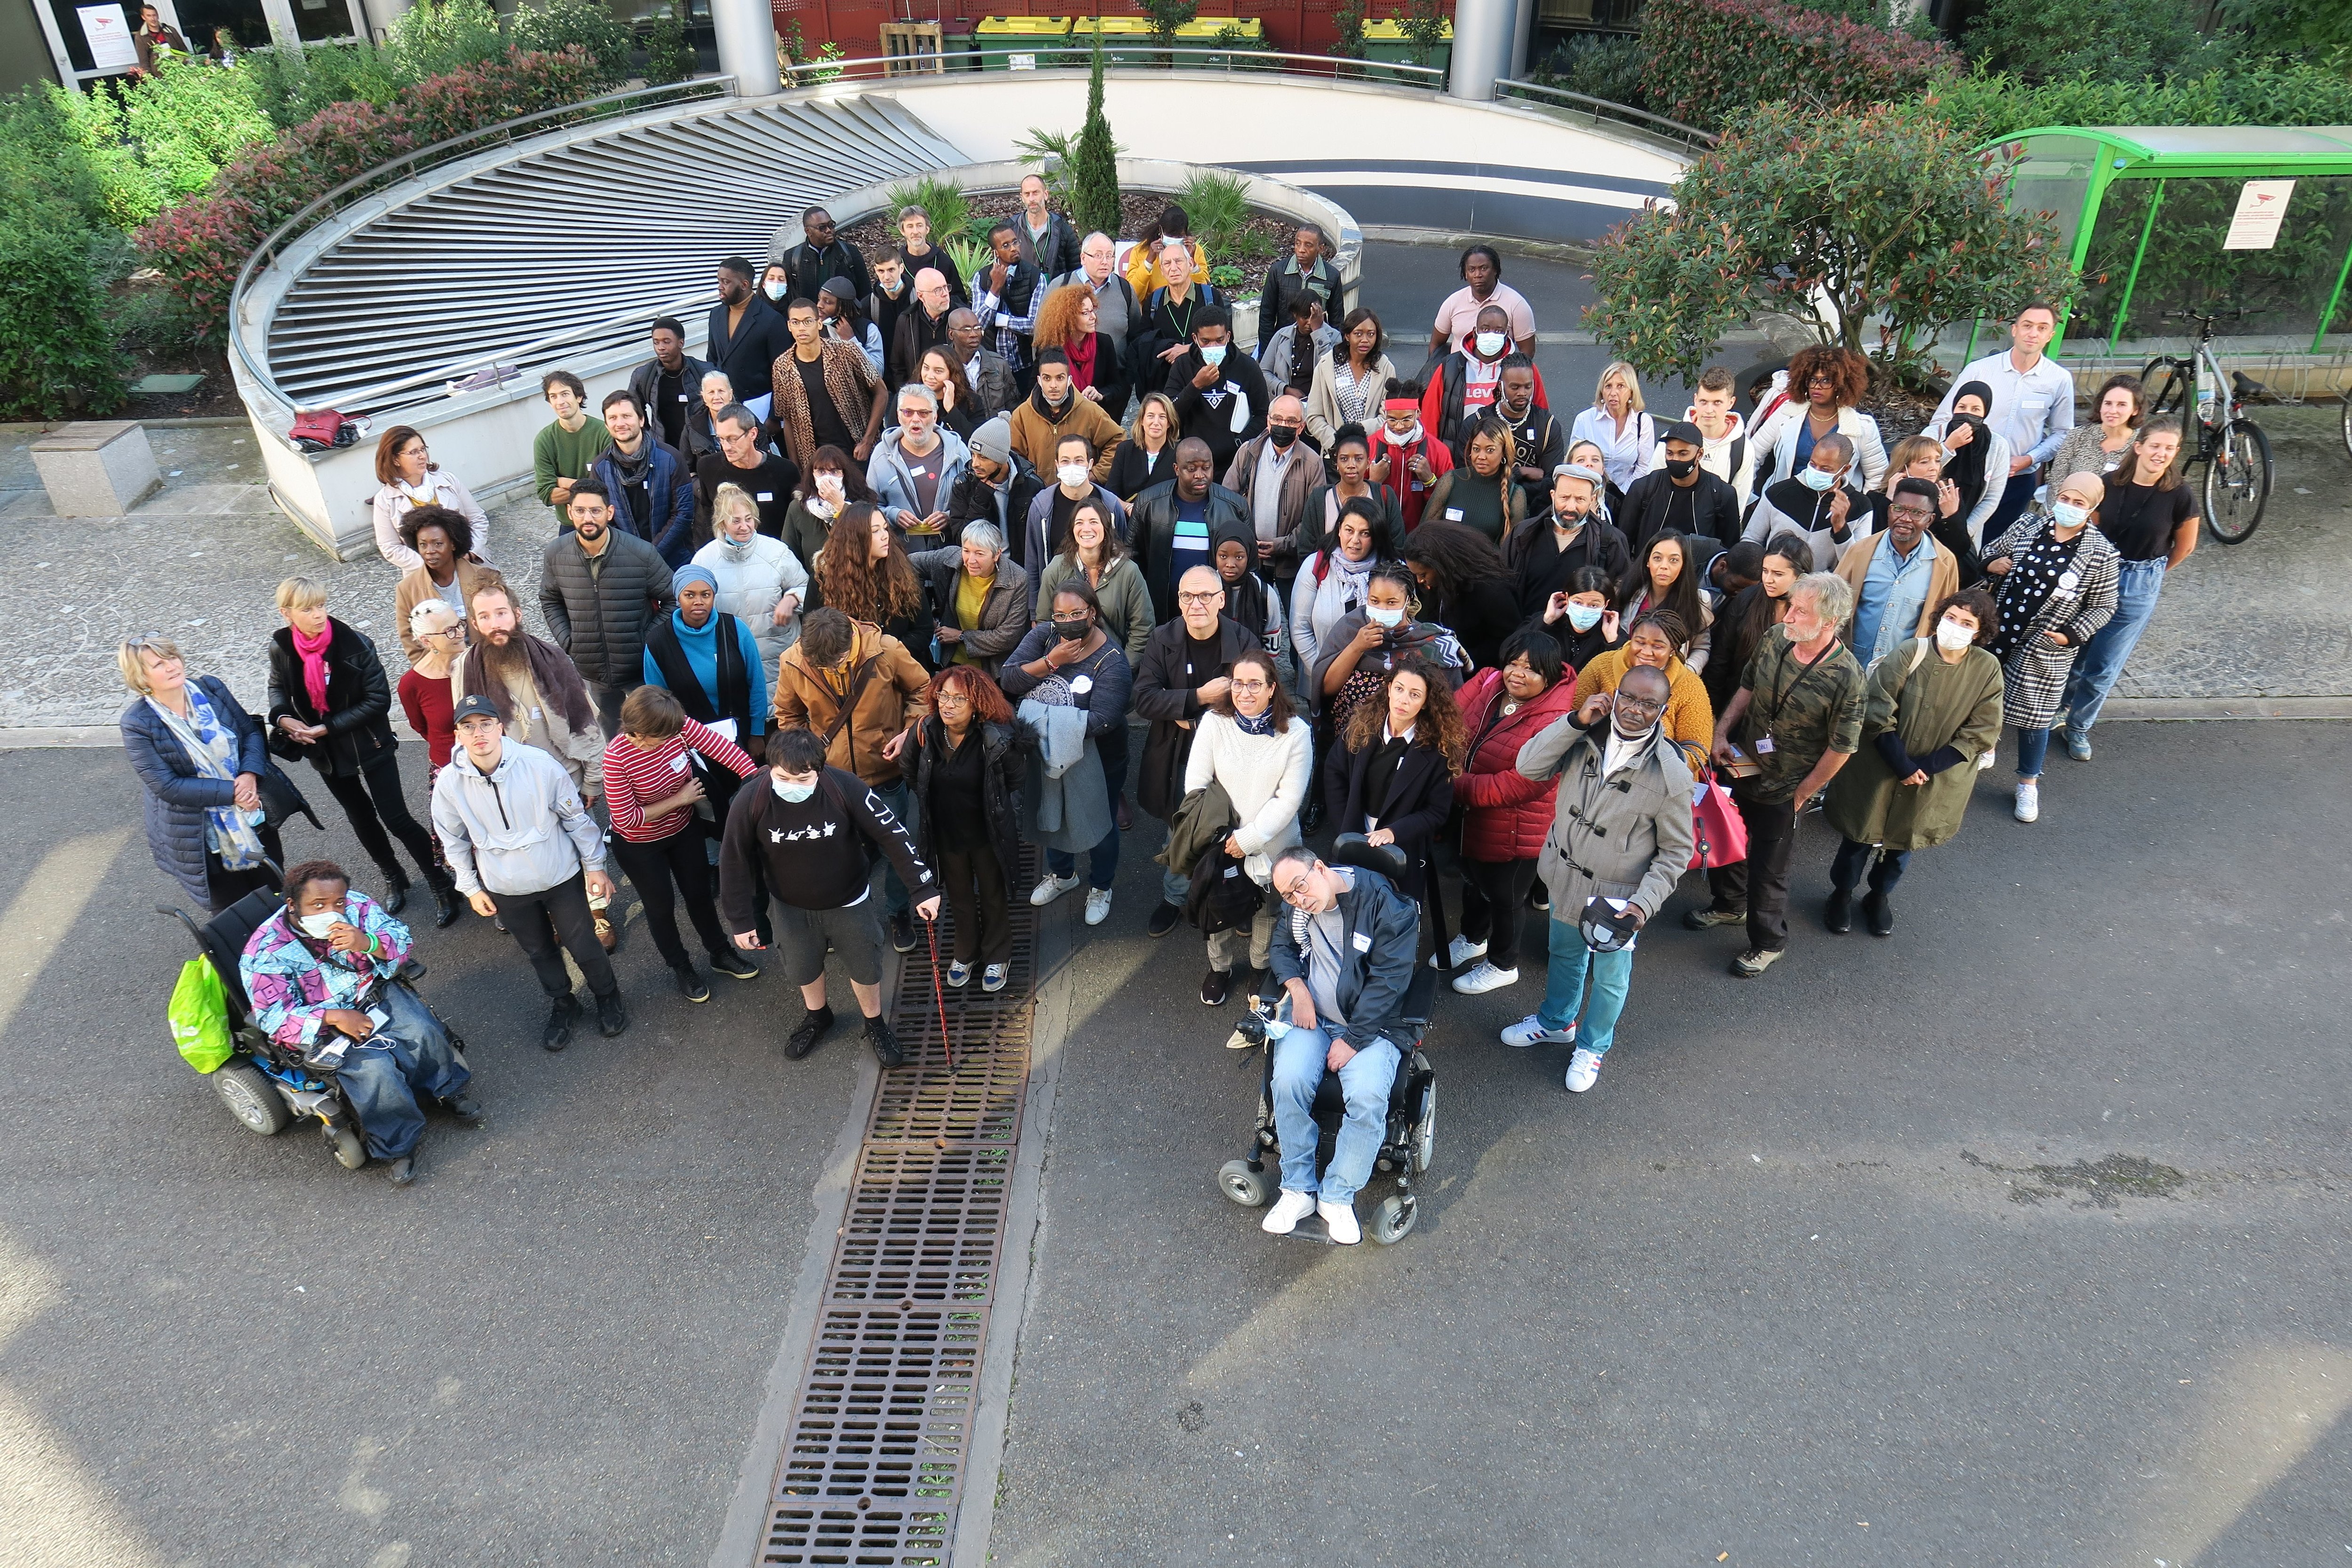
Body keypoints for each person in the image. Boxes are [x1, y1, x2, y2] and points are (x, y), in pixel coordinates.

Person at [1500, 661, 1694, 1093]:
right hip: (1565, 876)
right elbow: (1528, 765)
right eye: (1628, 697)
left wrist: (1642, 906)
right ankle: (1555, 1022)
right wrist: (1574, 720)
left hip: (1619, 899)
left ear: (1663, 711)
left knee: (1610, 976)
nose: (1635, 709)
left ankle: (1592, 1046)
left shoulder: (1672, 774)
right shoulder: (1583, 736)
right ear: (1615, 695)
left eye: (1649, 704)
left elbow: (1677, 852)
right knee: (1564, 954)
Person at [241, 860, 476, 1185]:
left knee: (421, 1032)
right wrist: (334, 1016)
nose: (332, 910)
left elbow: (401, 939)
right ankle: (398, 1144)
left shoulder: (359, 906)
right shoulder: (265, 951)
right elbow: (272, 1015)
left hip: (371, 992)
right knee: (375, 1070)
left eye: (338, 902)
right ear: (292, 905)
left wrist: (368, 943)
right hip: (322, 1021)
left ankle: (444, 1090)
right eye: (318, 905)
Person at [718, 728, 940, 1066]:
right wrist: (740, 918)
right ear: (770, 767)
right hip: (789, 905)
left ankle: (874, 1023)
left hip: (848, 901)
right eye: (782, 777)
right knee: (803, 966)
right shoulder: (753, 797)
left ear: (819, 770)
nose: (792, 787)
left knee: (866, 966)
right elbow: (732, 858)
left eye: (803, 778)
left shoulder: (845, 786)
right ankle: (818, 1016)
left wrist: (922, 887)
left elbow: (891, 832)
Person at [1694, 572, 1866, 979]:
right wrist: (1721, 732)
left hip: (1787, 787)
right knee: (1726, 837)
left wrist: (1803, 794)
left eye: (1800, 611)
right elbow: (1747, 686)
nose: (1788, 615)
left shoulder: (1848, 677)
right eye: (1791, 606)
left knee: (1769, 868)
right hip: (1744, 763)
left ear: (1828, 623)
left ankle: (1768, 942)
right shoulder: (1776, 637)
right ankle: (1728, 904)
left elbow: (1842, 747)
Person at [435, 693, 628, 1047]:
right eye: (468, 726)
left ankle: (607, 995)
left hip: (559, 875)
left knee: (583, 941)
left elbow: (576, 818)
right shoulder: (449, 783)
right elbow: (453, 839)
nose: (479, 733)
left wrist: (595, 866)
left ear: (500, 727)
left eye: (486, 724)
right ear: (458, 735)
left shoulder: (539, 764)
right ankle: (563, 1002)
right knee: (539, 950)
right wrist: (471, 888)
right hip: (506, 887)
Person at [1259, 845, 1422, 1245]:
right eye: (1289, 896)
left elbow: (1390, 981)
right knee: (1288, 1082)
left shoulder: (1386, 905)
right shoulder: (1299, 907)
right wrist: (1297, 988)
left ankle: (1337, 1194)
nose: (1300, 900)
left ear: (1320, 867)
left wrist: (1353, 1039)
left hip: (1372, 1025)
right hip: (1313, 1015)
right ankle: (1297, 1187)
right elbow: (1281, 947)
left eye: (1301, 886)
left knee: (1367, 1098)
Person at [267, 578, 452, 924]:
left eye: (321, 605)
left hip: (370, 743)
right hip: (327, 754)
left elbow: (378, 699)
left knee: (396, 818)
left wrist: (328, 726)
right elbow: (277, 685)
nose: (319, 614)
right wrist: (283, 716)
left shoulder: (355, 644)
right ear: (287, 613)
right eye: (308, 609)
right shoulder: (282, 648)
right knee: (361, 819)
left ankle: (440, 881)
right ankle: (394, 877)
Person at [1821, 589, 2004, 938]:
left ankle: (1879, 897)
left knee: (1903, 843)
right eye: (1951, 618)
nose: (1956, 627)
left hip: (1935, 776)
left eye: (1967, 623)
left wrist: (1926, 767)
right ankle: (1840, 895)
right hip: (1882, 765)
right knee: (1859, 837)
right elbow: (1877, 709)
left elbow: (1982, 729)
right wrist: (1903, 764)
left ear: (1979, 632)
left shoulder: (1986, 669)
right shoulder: (1911, 653)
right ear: (1939, 618)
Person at [771, 607, 933, 953]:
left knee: (895, 850)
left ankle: (899, 912)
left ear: (851, 643)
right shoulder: (793, 661)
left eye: (839, 662)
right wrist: (806, 756)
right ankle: (848, 919)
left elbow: (924, 690)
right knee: (838, 852)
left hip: (885, 772)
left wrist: (908, 732)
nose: (832, 670)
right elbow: (788, 714)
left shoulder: (886, 649)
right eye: (823, 666)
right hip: (830, 778)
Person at [121, 632, 312, 912]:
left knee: (275, 895)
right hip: (200, 832)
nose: (172, 666)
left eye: (172, 657)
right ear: (141, 677)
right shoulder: (137, 723)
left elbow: (249, 731)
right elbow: (166, 785)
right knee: (236, 912)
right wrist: (232, 794)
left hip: (252, 812)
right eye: (159, 665)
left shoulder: (211, 688)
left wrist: (249, 776)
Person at [602, 685, 765, 1000]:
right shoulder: (617, 756)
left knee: (700, 894)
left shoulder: (674, 725)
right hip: (640, 844)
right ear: (641, 735)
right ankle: (681, 966)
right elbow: (626, 819)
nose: (678, 737)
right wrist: (681, 798)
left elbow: (723, 748)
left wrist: (755, 781)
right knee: (660, 906)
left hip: (683, 829)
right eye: (667, 737)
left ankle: (720, 952)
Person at [1981, 471, 2120, 823]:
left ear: (2092, 508)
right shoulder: (2028, 526)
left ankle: (2028, 782)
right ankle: (1988, 744)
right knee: (1986, 696)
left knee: (2035, 719)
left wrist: (2071, 635)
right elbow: (1991, 551)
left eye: (2079, 504)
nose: (2069, 508)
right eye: (2065, 499)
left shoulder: (2101, 553)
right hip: (2000, 630)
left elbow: (2104, 606)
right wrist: (1992, 563)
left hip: (2046, 645)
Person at [1448, 629, 1580, 995]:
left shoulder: (1558, 718)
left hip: (1519, 828)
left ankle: (1504, 963)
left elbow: (1524, 783)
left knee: (1506, 898)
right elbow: (1449, 718)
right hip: (1475, 817)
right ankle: (1473, 939)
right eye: (1514, 663)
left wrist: (1453, 785)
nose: (1518, 673)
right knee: (1474, 884)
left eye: (1531, 668)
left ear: (1550, 676)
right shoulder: (1490, 684)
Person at [2059, 417, 2196, 759]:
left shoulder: (2181, 495)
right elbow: (2090, 528)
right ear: (2138, 447)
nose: (2160, 453)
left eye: (2169, 448)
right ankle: (2056, 708)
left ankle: (2078, 727)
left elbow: (2185, 547)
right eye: (2155, 446)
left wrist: (2149, 573)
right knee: (2075, 646)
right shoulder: (2109, 483)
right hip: (2097, 574)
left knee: (2104, 664)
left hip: (2139, 580)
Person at [1133, 565, 1257, 937]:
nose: (1196, 603)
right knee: (1181, 828)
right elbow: (1143, 698)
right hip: (1178, 754)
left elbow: (1262, 694)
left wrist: (1206, 719)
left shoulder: (1244, 639)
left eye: (1205, 595)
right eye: (1188, 595)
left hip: (1233, 753)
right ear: (1179, 600)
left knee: (1236, 830)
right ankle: (1176, 898)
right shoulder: (1161, 638)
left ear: (1222, 599)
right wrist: (1198, 698)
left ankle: (1235, 899)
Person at [1184, 650, 1312, 1005]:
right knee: (1218, 907)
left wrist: (1249, 838)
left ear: (1272, 688)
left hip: (1273, 845)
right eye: (1238, 683)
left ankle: (1260, 966)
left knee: (1268, 911)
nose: (1245, 692)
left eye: (1255, 684)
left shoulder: (1297, 733)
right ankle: (1220, 968)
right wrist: (1222, 835)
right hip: (1220, 840)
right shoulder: (1214, 722)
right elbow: (1196, 782)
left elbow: (1289, 800)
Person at [1001, 581, 1131, 927]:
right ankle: (1063, 875)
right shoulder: (1044, 638)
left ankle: (1102, 886)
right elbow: (1008, 679)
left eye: (1077, 613)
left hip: (1097, 759)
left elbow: (1104, 720)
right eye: (1061, 615)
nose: (1068, 620)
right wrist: (1050, 662)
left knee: (1099, 824)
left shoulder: (1112, 662)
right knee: (1052, 814)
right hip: (1045, 752)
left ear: (1093, 612)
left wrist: (1035, 716)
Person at [903, 665, 1028, 991]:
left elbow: (1016, 779)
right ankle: (966, 952)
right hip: (946, 835)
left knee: (992, 894)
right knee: (958, 896)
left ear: (977, 703)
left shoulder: (995, 737)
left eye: (959, 698)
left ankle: (998, 955)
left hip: (988, 834)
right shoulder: (926, 730)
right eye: (943, 695)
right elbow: (910, 771)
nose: (948, 704)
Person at [1322, 654, 1463, 924]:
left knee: (1392, 920)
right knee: (1348, 912)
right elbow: (1335, 774)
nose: (1403, 700)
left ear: (1426, 702)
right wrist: (1346, 828)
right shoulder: (1361, 727)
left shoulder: (1438, 751)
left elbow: (1436, 812)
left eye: (1414, 694)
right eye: (1399, 689)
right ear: (1388, 689)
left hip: (1402, 847)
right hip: (1354, 832)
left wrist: (1393, 832)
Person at [540, 478, 676, 737]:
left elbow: (672, 599)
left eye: (595, 511)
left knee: (652, 731)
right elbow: (550, 599)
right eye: (580, 511)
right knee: (612, 733)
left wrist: (647, 641)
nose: (587, 518)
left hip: (639, 669)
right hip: (592, 670)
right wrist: (570, 641)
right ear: (570, 513)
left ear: (609, 513)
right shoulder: (556, 553)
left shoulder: (641, 553)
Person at [454, 581, 607, 809]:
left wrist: (593, 781)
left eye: (501, 613)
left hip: (565, 779)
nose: (495, 624)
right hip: (509, 787)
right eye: (485, 617)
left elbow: (585, 722)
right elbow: (466, 729)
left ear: (517, 614)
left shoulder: (554, 658)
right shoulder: (464, 668)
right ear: (474, 623)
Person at [1928, 301, 2072, 541]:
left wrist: (2030, 459)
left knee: (1997, 549)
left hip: (2019, 480)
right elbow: (1942, 420)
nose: (2033, 333)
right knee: (1956, 543)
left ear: (2051, 335)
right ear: (2014, 329)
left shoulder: (2059, 380)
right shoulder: (1980, 371)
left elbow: (2063, 433)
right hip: (1969, 477)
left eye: (2042, 327)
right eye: (2027, 325)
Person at [1310, 562, 1470, 734]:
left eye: (1392, 603)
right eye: (1375, 601)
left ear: (1408, 601)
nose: (1382, 609)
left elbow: (1448, 706)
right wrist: (1356, 648)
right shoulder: (1351, 628)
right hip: (1349, 740)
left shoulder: (1429, 642)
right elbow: (1326, 689)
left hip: (1410, 743)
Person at [642, 563, 770, 762]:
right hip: (690, 744)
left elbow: (757, 683)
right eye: (690, 595)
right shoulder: (658, 642)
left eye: (706, 595)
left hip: (743, 739)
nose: (698, 602)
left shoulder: (736, 630)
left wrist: (757, 732)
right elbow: (658, 701)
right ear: (678, 598)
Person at [1835, 478, 1961, 668]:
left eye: (1917, 513)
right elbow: (1832, 607)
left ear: (1930, 520)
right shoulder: (1861, 552)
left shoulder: (1944, 563)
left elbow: (1942, 625)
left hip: (1903, 671)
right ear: (1889, 510)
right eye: (1898, 509)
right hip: (1850, 665)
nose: (1905, 518)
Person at [1129, 437, 1249, 623]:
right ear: (1177, 469)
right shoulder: (1148, 503)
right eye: (1191, 469)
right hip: (1161, 611)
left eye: (1206, 468)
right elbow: (1131, 558)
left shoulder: (1236, 506)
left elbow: (1250, 564)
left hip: (1214, 612)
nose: (1200, 475)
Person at [694, 482, 809, 672]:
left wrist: (792, 599)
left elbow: (806, 588)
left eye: (749, 519)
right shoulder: (704, 561)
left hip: (781, 657)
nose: (745, 527)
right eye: (736, 521)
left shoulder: (777, 552)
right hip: (731, 660)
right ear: (722, 523)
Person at [1748, 345, 1887, 495]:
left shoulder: (1863, 428)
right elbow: (1751, 455)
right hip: (1783, 503)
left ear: (1842, 384)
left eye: (1826, 381)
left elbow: (1877, 477)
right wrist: (1750, 497)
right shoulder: (1785, 415)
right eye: (1812, 379)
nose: (1817, 387)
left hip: (1835, 510)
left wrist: (1856, 510)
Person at [772, 295, 888, 476]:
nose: (801, 328)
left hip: (856, 451)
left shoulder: (846, 351)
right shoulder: (782, 366)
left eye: (807, 321)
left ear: (819, 324)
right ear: (789, 326)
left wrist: (867, 440)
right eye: (795, 322)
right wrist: (796, 469)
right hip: (816, 460)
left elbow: (881, 392)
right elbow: (788, 419)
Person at [1569, 610, 1715, 752]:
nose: (1646, 652)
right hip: (1591, 760)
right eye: (1640, 642)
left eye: (1657, 647)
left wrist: (1648, 761)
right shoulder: (1602, 665)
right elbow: (1569, 716)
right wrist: (1580, 719)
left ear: (1673, 649)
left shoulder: (1690, 687)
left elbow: (1697, 751)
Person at [814, 503, 936, 666]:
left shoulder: (902, 571)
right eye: (875, 531)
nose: (885, 536)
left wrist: (886, 654)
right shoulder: (826, 578)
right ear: (856, 538)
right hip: (850, 674)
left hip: (901, 670)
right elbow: (816, 633)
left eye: (885, 528)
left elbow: (924, 630)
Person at [1509, 462, 1633, 621]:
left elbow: (1619, 597)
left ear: (1592, 499)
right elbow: (1504, 589)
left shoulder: (1611, 541)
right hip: (1525, 636)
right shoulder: (1523, 534)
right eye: (1564, 497)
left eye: (1580, 499)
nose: (1571, 507)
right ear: (1553, 495)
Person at [1221, 393, 1318, 592]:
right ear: (1268, 421)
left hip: (1290, 565)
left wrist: (1282, 545)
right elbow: (1227, 501)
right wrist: (1246, 541)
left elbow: (1313, 519)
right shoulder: (1248, 453)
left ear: (1301, 427)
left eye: (1292, 421)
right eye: (1278, 419)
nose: (1283, 425)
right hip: (1249, 558)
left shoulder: (1312, 463)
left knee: (1297, 620)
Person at [1703, 532, 1805, 720]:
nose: (1768, 579)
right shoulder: (1747, 599)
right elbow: (1720, 659)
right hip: (1732, 705)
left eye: (1778, 574)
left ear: (1800, 576)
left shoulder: (1810, 614)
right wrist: (1712, 713)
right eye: (1765, 571)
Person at [911, 521, 1032, 679]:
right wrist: (925, 616)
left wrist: (961, 636)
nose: (971, 560)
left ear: (997, 554)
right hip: (951, 663)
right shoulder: (949, 559)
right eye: (967, 551)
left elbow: (1006, 638)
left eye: (980, 554)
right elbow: (907, 564)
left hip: (995, 671)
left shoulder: (1017, 579)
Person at [1422, 303, 1546, 453]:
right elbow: (1430, 418)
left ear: (1506, 334)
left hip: (1511, 457)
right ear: (1475, 332)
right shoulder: (1449, 367)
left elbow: (1541, 416)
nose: (1492, 335)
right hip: (1457, 455)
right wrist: (1434, 457)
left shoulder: (1525, 369)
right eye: (1486, 329)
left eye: (1498, 331)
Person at [592, 390, 696, 567]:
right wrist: (631, 554)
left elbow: (683, 513)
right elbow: (602, 517)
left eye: (626, 416)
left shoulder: (671, 458)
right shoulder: (601, 467)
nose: (621, 423)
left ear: (641, 420)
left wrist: (651, 554)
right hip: (627, 561)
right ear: (607, 426)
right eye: (613, 418)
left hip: (674, 559)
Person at [1403, 518, 1520, 671]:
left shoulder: (1492, 591)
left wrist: (1458, 657)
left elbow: (1509, 642)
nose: (1420, 581)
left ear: (1442, 565)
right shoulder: (1441, 582)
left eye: (1423, 574)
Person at [1744, 430, 1869, 572]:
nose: (1816, 471)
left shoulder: (1861, 507)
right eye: (1813, 464)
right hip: (1772, 584)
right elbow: (1751, 540)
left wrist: (1840, 528)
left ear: (1845, 469)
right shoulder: (1779, 493)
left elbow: (1856, 564)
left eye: (1825, 469)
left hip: (1821, 590)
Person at [1617, 420, 1741, 562]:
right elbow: (1623, 541)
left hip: (1697, 577)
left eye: (1683, 454)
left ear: (1699, 454)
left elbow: (1729, 550)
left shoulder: (1722, 494)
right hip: (1648, 572)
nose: (1675, 459)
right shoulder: (1643, 488)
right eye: (1670, 453)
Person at [1165, 306, 1270, 473]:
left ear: (1228, 336)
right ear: (1195, 338)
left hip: (1235, 462)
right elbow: (1169, 412)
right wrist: (1195, 386)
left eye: (1219, 340)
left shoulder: (1248, 367)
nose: (1213, 347)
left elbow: (1263, 414)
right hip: (1192, 463)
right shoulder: (1183, 366)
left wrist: (1239, 442)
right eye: (1206, 341)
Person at [371, 427, 490, 574]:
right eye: (414, 452)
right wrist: (433, 565)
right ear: (395, 460)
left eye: (423, 449)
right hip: (424, 574)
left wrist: (470, 553)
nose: (422, 456)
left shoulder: (448, 480)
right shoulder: (385, 500)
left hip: (467, 563)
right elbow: (390, 547)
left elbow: (478, 519)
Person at [1291, 497, 1385, 682]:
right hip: (1323, 676)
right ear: (1340, 530)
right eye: (1349, 531)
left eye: (1365, 533)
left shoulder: (1391, 570)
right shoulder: (1316, 565)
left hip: (1377, 681)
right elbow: (1299, 627)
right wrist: (1324, 673)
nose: (1355, 541)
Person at [392, 505, 497, 669]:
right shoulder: (407, 589)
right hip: (443, 671)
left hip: (489, 665)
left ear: (453, 544)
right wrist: (434, 672)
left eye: (438, 544)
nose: (430, 551)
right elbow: (411, 641)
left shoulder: (486, 577)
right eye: (423, 545)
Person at [1021, 430, 1129, 588]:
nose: (1072, 467)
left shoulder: (1110, 505)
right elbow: (1033, 565)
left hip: (1104, 601)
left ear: (1091, 464)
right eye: (1066, 461)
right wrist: (1035, 610)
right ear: (1057, 465)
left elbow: (1123, 558)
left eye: (1079, 461)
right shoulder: (1041, 508)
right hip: (1057, 602)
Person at [867, 383, 969, 546]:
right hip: (901, 554)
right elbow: (870, 507)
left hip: (951, 550)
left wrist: (950, 516)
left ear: (935, 416)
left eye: (923, 413)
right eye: (908, 412)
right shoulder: (881, 454)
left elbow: (973, 502)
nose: (915, 419)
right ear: (899, 416)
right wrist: (894, 515)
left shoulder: (957, 450)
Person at [1929, 381, 2014, 566]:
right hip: (1925, 526)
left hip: (1966, 533)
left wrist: (1962, 532)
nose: (1968, 414)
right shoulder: (1934, 434)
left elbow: (1992, 499)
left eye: (1976, 409)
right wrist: (1949, 447)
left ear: (1985, 413)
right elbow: (1920, 475)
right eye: (1962, 407)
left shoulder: (1998, 446)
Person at [1008, 350, 1124, 484]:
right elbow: (1015, 455)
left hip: (1081, 495)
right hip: (1040, 496)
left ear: (1069, 380)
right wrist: (1031, 482)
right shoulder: (1022, 415)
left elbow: (1117, 440)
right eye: (1047, 378)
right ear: (1039, 380)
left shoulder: (1089, 411)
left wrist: (1096, 474)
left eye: (1060, 378)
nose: (1053, 385)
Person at [1295, 424, 1403, 568]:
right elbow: (1306, 550)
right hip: (1328, 582)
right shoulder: (1319, 498)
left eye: (1358, 459)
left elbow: (1398, 547)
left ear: (1368, 462)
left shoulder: (1384, 495)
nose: (1351, 465)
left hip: (1375, 582)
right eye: (1344, 459)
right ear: (1336, 463)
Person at [696, 400, 802, 545]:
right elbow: (707, 520)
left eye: (733, 439)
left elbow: (797, 525)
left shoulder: (785, 471)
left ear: (753, 434)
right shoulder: (708, 467)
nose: (726, 447)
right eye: (721, 439)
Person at [945, 417, 1047, 565]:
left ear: (1001, 459)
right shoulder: (964, 484)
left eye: (983, 457)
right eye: (973, 455)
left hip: (1021, 569)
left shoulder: (1032, 485)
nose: (975, 464)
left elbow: (1041, 540)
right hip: (980, 571)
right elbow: (961, 539)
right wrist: (980, 500)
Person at [1052, 232, 1141, 401]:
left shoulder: (1124, 289)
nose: (1105, 261)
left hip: (1114, 383)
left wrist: (1129, 377)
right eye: (1098, 256)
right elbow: (1043, 335)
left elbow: (1136, 334)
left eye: (1110, 256)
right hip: (1067, 383)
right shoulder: (1061, 286)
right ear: (1083, 258)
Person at [1614, 528, 1714, 673]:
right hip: (1624, 671)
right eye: (1657, 558)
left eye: (1674, 560)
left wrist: (1684, 673)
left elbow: (1701, 647)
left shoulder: (1699, 600)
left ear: (1683, 565)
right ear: (1648, 561)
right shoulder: (1627, 590)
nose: (1664, 566)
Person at [1420, 414, 1527, 546]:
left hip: (1484, 566)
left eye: (1490, 450)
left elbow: (1510, 553)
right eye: (1476, 449)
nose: (1481, 456)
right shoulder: (1451, 480)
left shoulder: (1515, 495)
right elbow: (1425, 533)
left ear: (1504, 453)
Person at [397, 601, 465, 809]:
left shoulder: (477, 663)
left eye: (460, 625)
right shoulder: (411, 685)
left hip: (493, 760)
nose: (461, 634)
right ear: (427, 641)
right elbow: (420, 727)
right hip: (449, 768)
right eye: (449, 631)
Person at [708, 257, 794, 414]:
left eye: (726, 282)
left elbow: (783, 374)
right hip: (725, 409)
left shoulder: (772, 320)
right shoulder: (716, 314)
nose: (720, 287)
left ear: (744, 285)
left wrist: (774, 417)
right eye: (719, 281)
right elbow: (713, 359)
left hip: (759, 410)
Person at [1569, 361, 1659, 510]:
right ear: (1602, 392)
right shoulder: (1584, 420)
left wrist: (1619, 495)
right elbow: (1574, 463)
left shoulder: (1643, 422)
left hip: (1628, 497)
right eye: (1608, 386)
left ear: (1631, 392)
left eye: (1621, 386)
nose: (1613, 393)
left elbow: (1643, 468)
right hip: (1588, 495)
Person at [1306, 308, 1398, 452]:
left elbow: (1390, 416)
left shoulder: (1386, 368)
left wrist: (1358, 432)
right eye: (1358, 334)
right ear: (1347, 336)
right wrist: (1336, 442)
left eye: (1371, 334)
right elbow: (1313, 416)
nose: (1365, 340)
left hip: (1372, 451)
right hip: (1334, 452)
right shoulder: (1327, 366)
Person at [628, 317, 718, 461]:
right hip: (663, 450)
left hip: (700, 449)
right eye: (656, 342)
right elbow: (632, 410)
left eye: (666, 342)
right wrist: (648, 436)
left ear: (681, 343)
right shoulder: (643, 375)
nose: (661, 347)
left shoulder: (705, 372)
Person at [1135, 239, 1224, 385]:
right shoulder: (1154, 301)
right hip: (1166, 386)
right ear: (1162, 270)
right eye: (1167, 263)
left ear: (1190, 264)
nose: (1174, 268)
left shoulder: (1210, 298)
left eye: (1179, 261)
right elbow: (1142, 342)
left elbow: (1227, 341)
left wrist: (1189, 349)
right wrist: (1168, 347)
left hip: (1207, 384)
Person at [1367, 383, 1453, 533]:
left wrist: (1430, 480)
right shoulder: (1369, 446)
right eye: (1392, 420)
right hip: (1377, 534)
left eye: (1407, 420)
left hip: (1420, 535)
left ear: (1418, 413)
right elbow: (1352, 498)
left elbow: (1450, 500)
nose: (1399, 427)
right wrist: (1374, 482)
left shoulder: (1439, 451)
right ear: (1385, 415)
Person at [970, 221, 1046, 390]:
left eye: (1015, 242)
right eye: (1006, 245)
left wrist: (1000, 320)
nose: (1013, 248)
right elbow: (978, 325)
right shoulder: (982, 278)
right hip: (992, 365)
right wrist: (995, 288)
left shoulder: (1035, 277)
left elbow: (1035, 326)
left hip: (1026, 364)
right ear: (995, 252)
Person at [1427, 242, 1535, 360]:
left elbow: (1527, 352)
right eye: (1472, 270)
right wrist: (1439, 373)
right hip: (1458, 375)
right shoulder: (1453, 302)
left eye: (1484, 268)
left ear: (1495, 270)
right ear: (1466, 274)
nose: (1478, 275)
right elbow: (1436, 344)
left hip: (1500, 375)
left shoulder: (1517, 305)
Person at [1491, 355, 1565, 517]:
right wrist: (1522, 472)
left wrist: (1508, 476)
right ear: (1501, 386)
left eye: (1527, 387)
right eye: (1515, 387)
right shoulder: (1479, 422)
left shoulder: (1548, 425)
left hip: (1536, 511)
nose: (1522, 393)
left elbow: (1552, 482)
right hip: (1489, 506)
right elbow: (1473, 477)